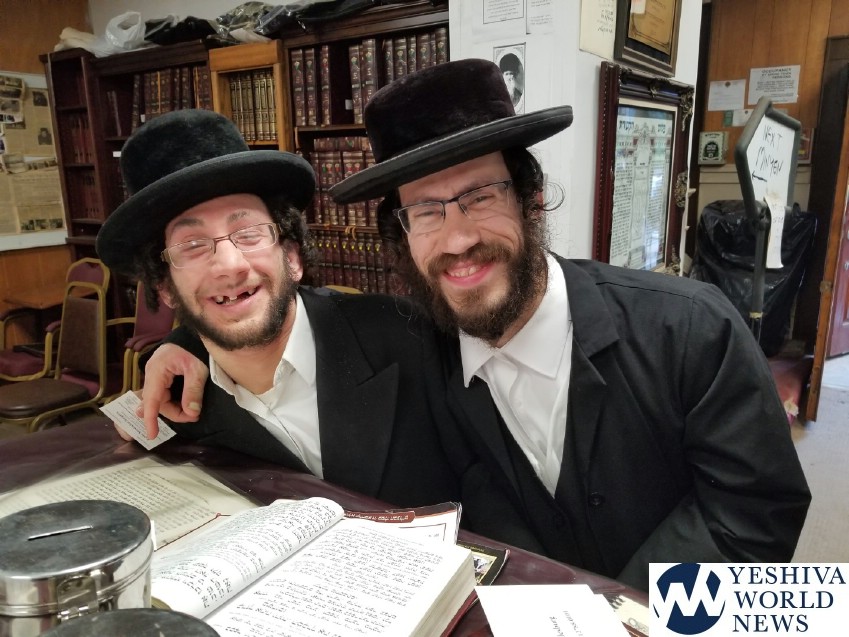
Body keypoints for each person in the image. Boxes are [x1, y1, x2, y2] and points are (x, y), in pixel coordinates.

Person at [143, 60, 810, 590]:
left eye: (480, 196)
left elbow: (756, 514)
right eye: (425, 211)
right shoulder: (424, 344)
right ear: (402, 236)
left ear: (531, 198)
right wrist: (181, 344)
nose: (457, 238)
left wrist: (620, 613)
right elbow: (269, 310)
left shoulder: (690, 330)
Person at [95, 108, 460, 509]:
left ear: (292, 257)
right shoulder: (176, 403)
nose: (229, 264)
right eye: (192, 246)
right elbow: (133, 425)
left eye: (249, 233)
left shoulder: (413, 336)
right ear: (165, 288)